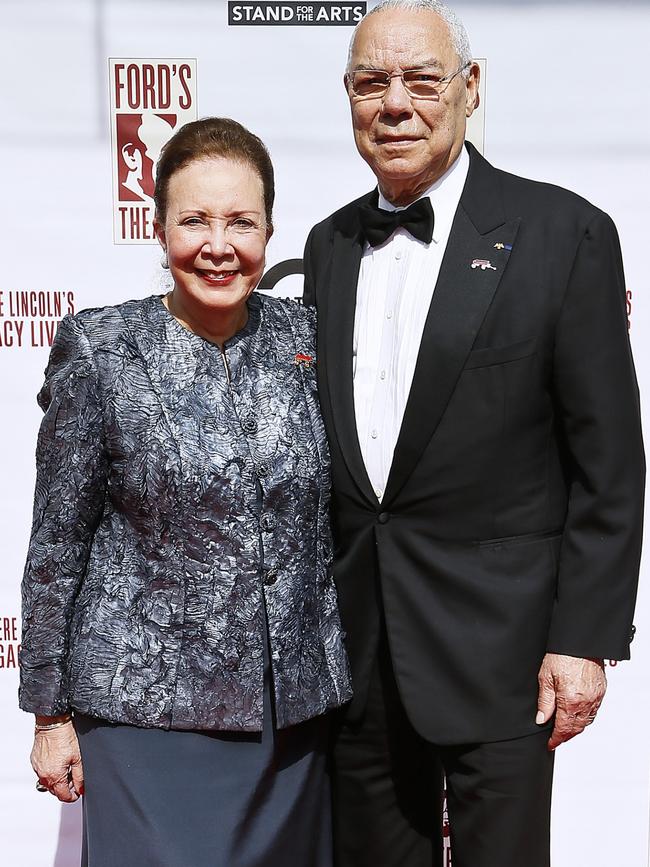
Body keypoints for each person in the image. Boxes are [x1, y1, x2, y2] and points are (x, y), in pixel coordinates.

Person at [302, 2, 644, 866]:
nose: (396, 104)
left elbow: (610, 461)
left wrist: (583, 639)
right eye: (371, 82)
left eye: (421, 79)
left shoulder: (566, 234)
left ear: (470, 87)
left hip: (508, 655)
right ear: (347, 97)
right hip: (360, 652)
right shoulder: (329, 243)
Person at [20, 116, 351, 867]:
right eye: (194, 219)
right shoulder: (102, 348)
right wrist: (48, 712)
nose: (218, 244)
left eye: (242, 221)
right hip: (144, 724)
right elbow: (56, 542)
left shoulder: (307, 341)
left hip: (288, 724)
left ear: (270, 229)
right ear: (159, 225)